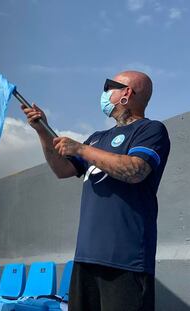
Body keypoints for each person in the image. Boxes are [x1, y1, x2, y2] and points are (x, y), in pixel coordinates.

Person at [21, 71, 170, 311]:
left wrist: (81, 149)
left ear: (127, 93)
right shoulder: (97, 138)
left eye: (109, 86)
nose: (104, 93)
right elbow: (62, 169)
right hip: (85, 259)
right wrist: (42, 130)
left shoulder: (151, 130)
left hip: (126, 261)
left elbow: (135, 171)